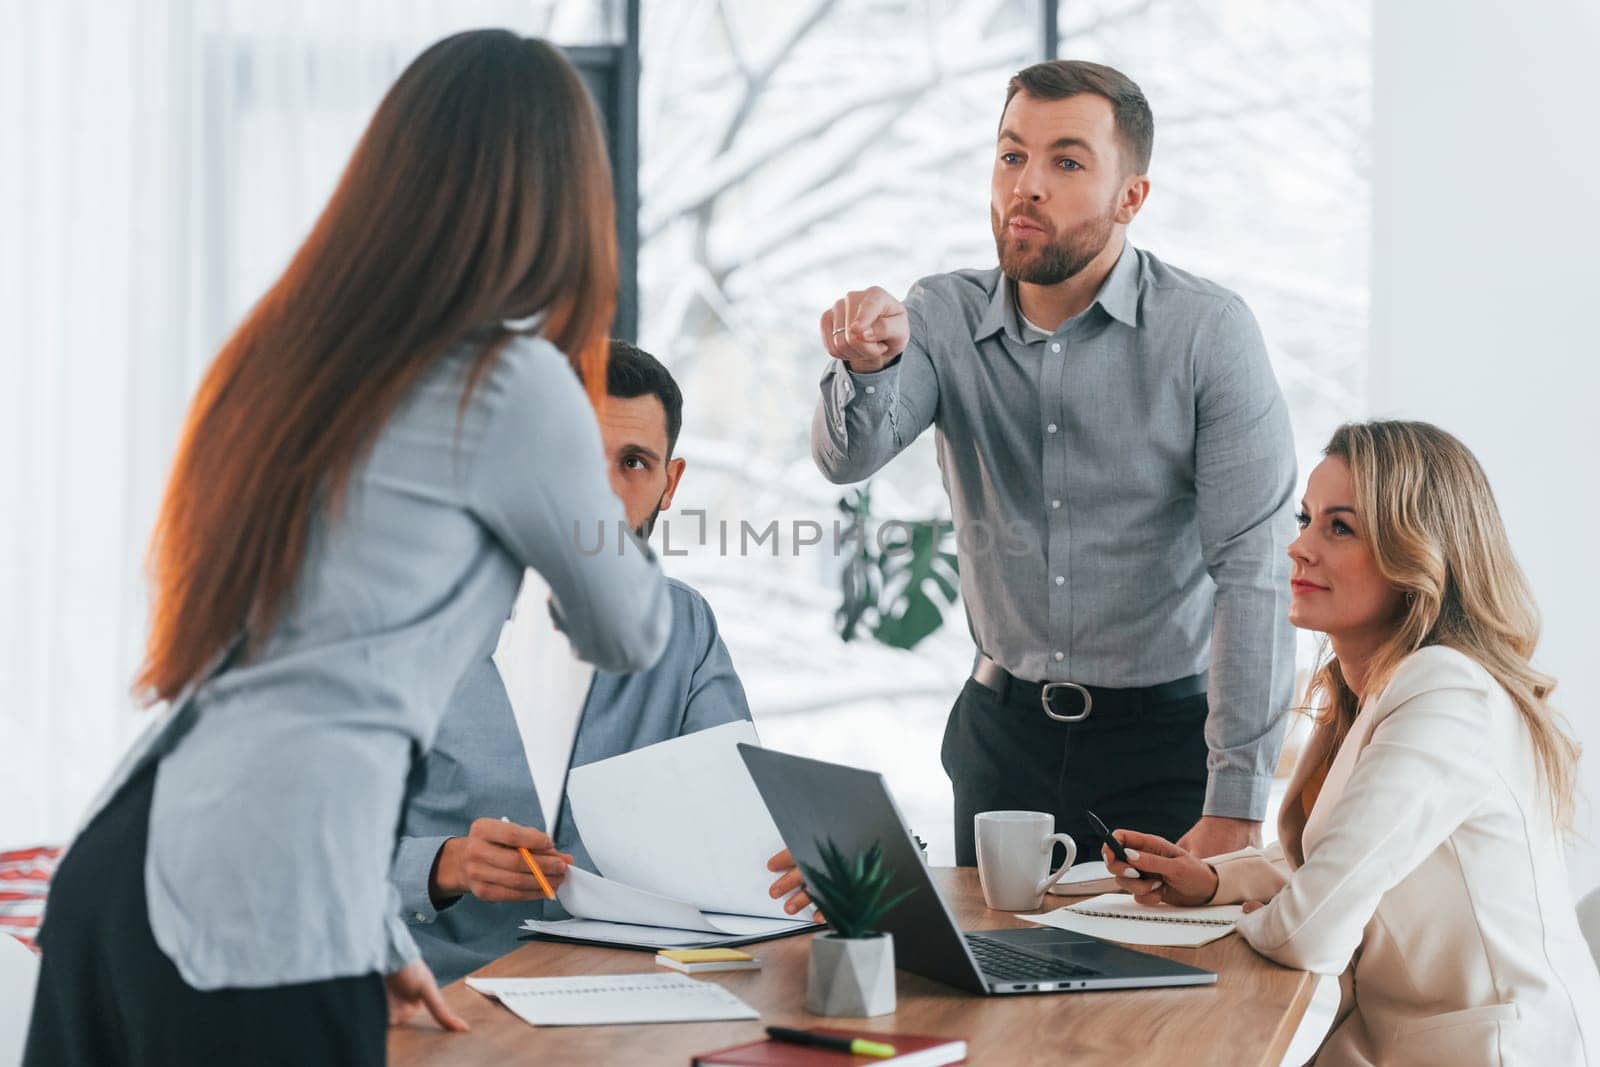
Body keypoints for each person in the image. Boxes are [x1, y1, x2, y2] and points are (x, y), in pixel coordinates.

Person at [24, 32, 670, 1066]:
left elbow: (292, 682)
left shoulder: (290, 365)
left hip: (130, 868)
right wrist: (597, 485)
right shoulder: (510, 384)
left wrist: (364, 928)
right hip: (255, 901)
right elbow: (629, 626)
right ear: (563, 198)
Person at [806, 59, 1297, 866]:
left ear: (1130, 197)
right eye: (1011, 156)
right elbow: (845, 457)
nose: (1027, 185)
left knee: (1157, 996)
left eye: (1067, 162)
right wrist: (866, 367)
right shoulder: (938, 314)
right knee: (984, 986)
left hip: (1166, 751)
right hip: (1001, 742)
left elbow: (1255, 572)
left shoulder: (1208, 334)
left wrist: (1238, 804)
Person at [1103, 421, 1600, 1065]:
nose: (1298, 548)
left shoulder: (1445, 691)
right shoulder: (1372, 685)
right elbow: (1337, 859)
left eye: (1339, 527)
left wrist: (1260, 912)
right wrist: (1207, 882)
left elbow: (1310, 930)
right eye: (1305, 519)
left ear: (1416, 554)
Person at [393, 341, 756, 984]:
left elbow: (738, 820)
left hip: (635, 995)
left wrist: (794, 861)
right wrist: (446, 864)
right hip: (449, 999)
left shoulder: (686, 627)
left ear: (669, 486)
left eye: (634, 463)